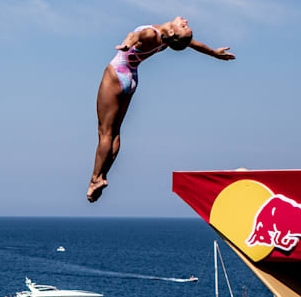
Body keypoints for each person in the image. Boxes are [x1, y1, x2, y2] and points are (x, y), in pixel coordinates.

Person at [86, 16, 234, 203]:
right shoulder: (168, 40)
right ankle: (103, 176)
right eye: (185, 25)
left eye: (183, 25)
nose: (185, 21)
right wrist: (213, 53)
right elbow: (192, 44)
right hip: (131, 78)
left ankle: (94, 179)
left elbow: (136, 35)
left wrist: (126, 43)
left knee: (104, 132)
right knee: (115, 133)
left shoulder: (154, 35)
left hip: (117, 74)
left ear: (172, 32)